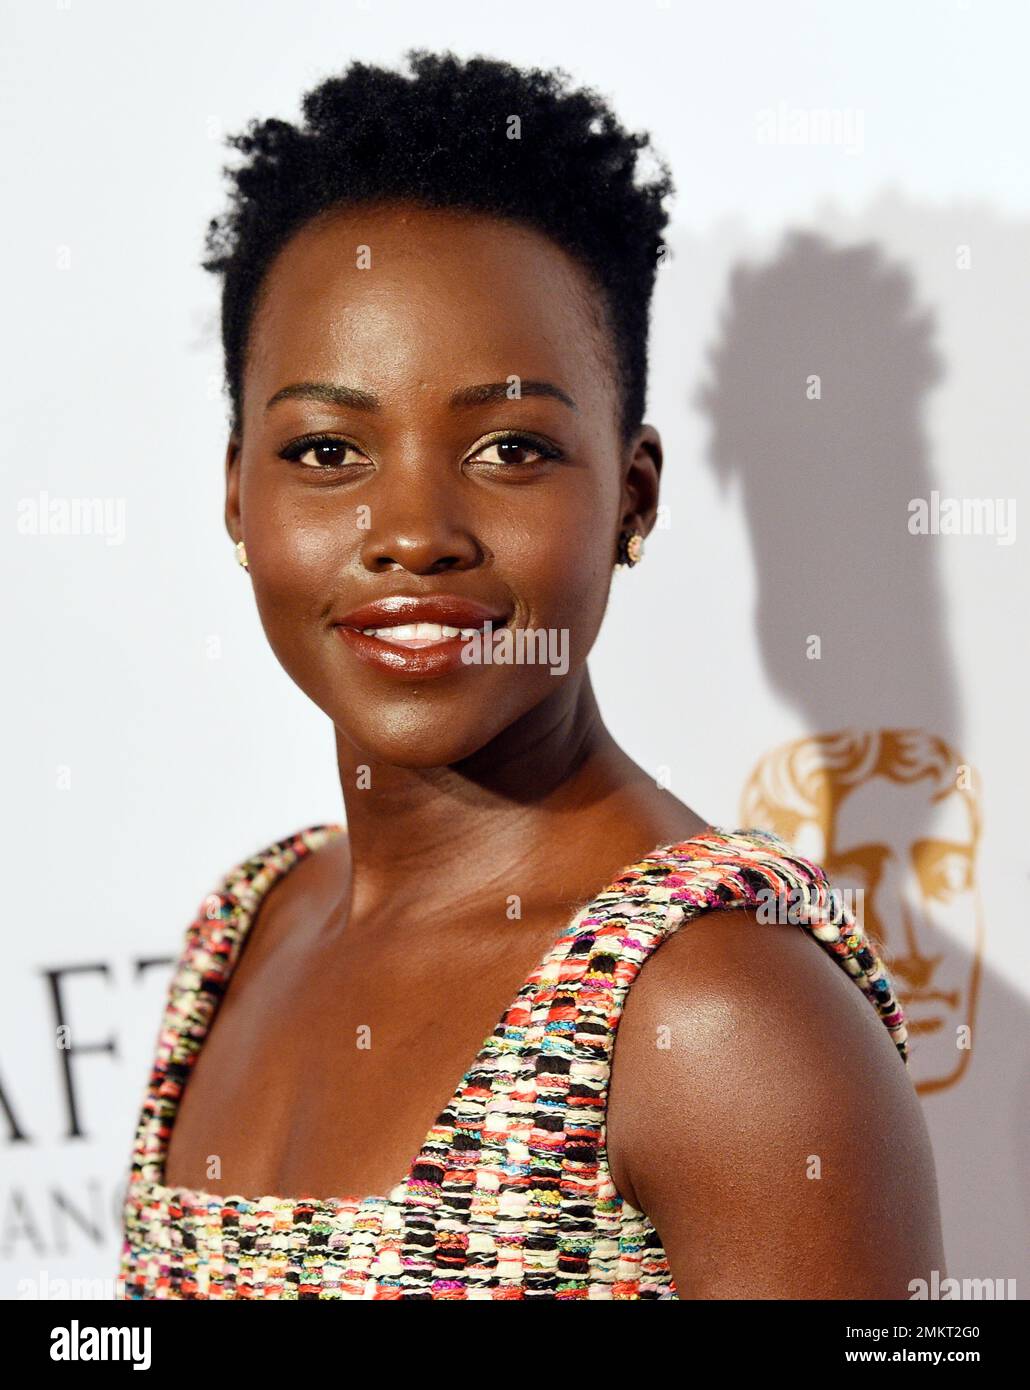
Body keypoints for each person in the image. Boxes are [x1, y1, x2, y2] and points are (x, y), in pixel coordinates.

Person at [118, 48, 945, 1300]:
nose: (412, 531)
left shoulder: (716, 1010)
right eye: (328, 447)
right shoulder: (244, 929)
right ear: (238, 494)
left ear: (632, 494)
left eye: (510, 446)